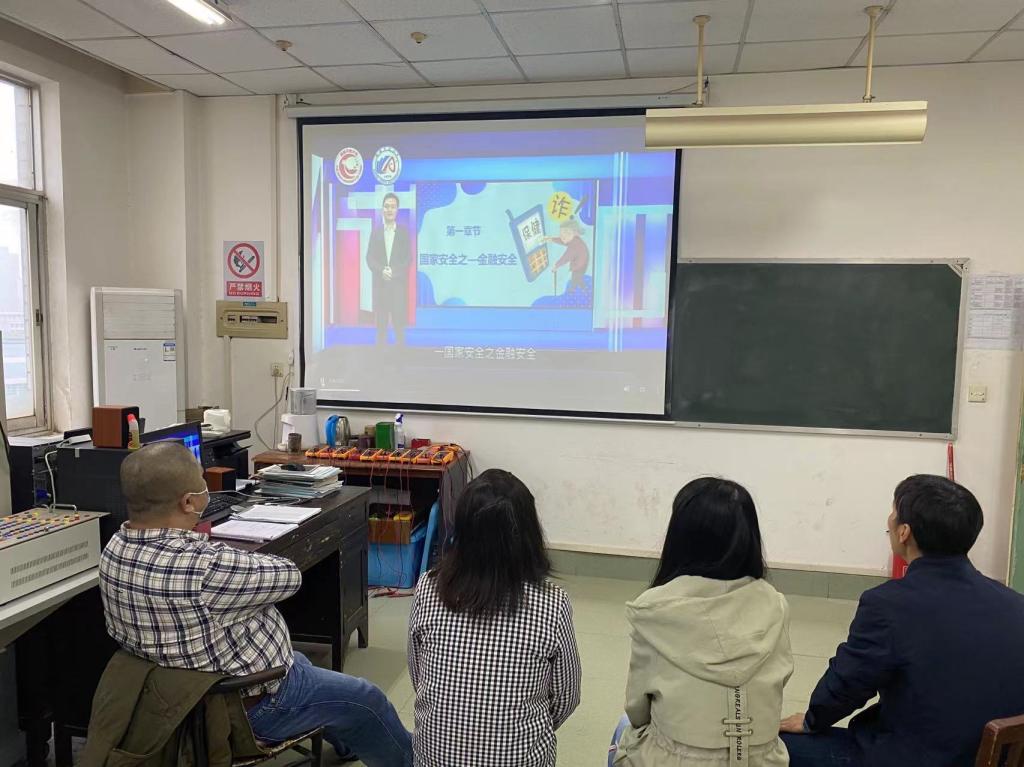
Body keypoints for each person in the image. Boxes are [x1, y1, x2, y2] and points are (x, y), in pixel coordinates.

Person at [98, 442, 412, 766]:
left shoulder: (113, 551)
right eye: (202, 482)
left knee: (304, 663)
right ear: (189, 502)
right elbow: (290, 576)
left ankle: (351, 739)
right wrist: (224, 556)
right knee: (367, 698)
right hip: (243, 707)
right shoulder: (206, 566)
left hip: (169, 701)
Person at [780, 474, 1024, 767]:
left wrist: (811, 720)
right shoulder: (1015, 603)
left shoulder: (888, 605)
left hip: (917, 757)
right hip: (999, 758)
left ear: (904, 532)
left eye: (893, 512)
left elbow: (849, 684)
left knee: (771, 747)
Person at [613, 478, 793, 767]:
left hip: (675, 761)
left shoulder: (655, 608)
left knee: (622, 728)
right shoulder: (775, 603)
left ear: (679, 537)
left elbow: (637, 710)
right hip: (761, 760)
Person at [407, 469, 581, 766]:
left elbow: (418, 675)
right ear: (529, 535)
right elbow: (566, 697)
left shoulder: (428, 588)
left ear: (461, 533)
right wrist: (521, 726)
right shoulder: (553, 604)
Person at [366, 191, 412, 345]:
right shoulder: (376, 232)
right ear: (382, 209)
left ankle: (400, 359)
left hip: (398, 287)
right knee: (381, 329)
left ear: (397, 210)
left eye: (393, 206)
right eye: (386, 206)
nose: (389, 210)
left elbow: (408, 259)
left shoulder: (403, 233)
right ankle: (380, 359)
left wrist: (394, 272)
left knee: (399, 329)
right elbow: (369, 258)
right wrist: (381, 271)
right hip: (381, 288)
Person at [544, 217, 589, 293]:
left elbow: (565, 258)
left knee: (575, 278)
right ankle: (583, 287)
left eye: (566, 234)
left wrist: (556, 266)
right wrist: (551, 239)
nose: (562, 236)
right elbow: (563, 241)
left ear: (574, 233)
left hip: (579, 265)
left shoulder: (574, 247)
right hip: (582, 262)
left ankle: (572, 290)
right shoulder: (573, 239)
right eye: (561, 234)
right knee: (579, 278)